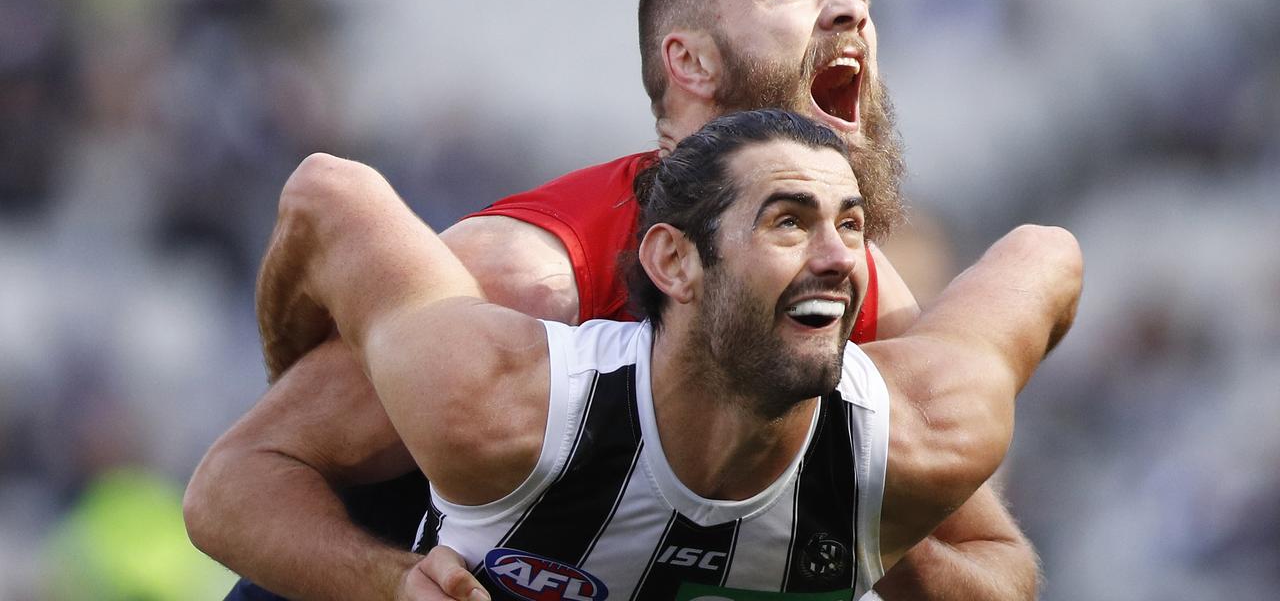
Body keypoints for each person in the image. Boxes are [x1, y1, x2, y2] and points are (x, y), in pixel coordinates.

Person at [185, 0, 1040, 601]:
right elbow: (233, 486)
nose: (853, 10)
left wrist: (862, 536)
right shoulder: (530, 284)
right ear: (691, 62)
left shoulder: (864, 305)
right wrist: (393, 582)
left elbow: (997, 571)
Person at [251, 110, 1082, 600]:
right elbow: (330, 190)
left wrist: (881, 547)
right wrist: (388, 581)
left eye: (853, 224)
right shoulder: (500, 401)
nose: (841, 257)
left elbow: (1049, 256)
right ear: (673, 261)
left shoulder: (921, 436)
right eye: (790, 221)